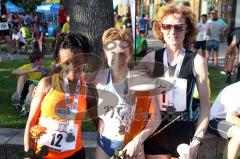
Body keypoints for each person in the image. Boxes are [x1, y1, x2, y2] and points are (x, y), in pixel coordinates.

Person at [137, 3, 210, 159]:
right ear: (160, 28)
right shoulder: (151, 59)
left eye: (179, 27)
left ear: (187, 29)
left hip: (184, 134)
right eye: (167, 26)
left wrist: (197, 140)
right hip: (156, 133)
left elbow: (205, 108)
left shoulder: (197, 61)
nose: (172, 31)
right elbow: (126, 83)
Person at [91, 28, 161, 159]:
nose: (117, 58)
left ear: (130, 54)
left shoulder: (142, 81)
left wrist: (138, 140)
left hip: (132, 146)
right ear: (105, 54)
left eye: (122, 53)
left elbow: (156, 118)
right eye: (112, 53)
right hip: (104, 143)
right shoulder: (98, 79)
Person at [24, 32, 92, 159]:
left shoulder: (87, 88)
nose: (73, 67)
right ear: (58, 61)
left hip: (75, 154)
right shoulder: (47, 84)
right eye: (67, 62)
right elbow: (31, 123)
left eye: (78, 61)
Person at [208, 81, 240, 159]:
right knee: (239, 133)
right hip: (215, 120)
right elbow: (230, 118)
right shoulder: (237, 91)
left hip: (231, 118)